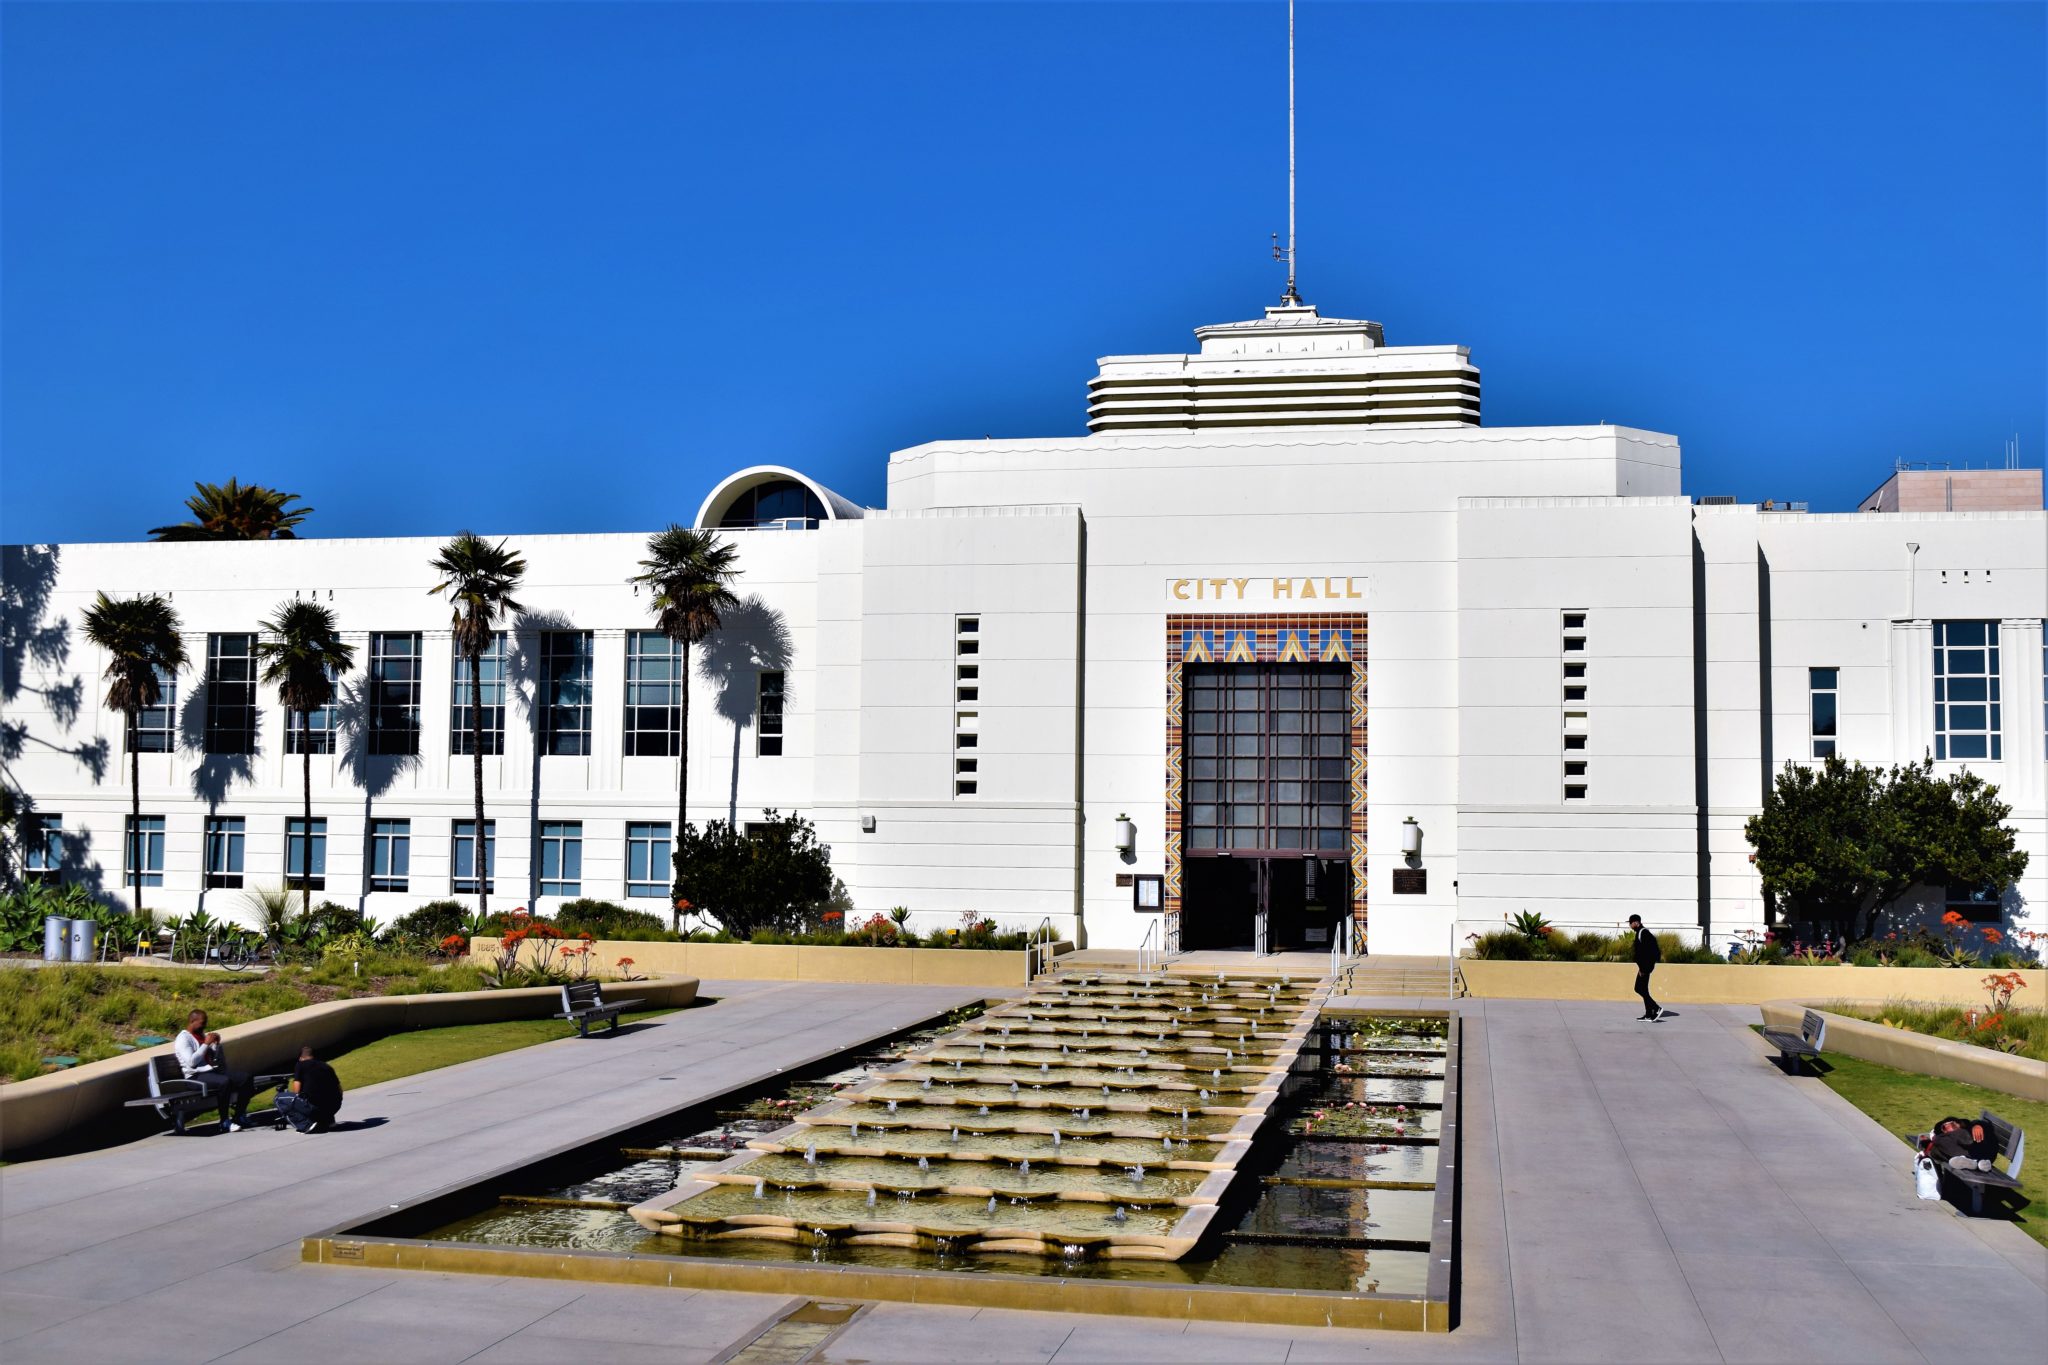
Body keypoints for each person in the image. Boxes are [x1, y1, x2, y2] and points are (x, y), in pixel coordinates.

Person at [172, 1009, 256, 1132]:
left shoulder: (201, 1036)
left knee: (246, 1077)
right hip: (194, 1077)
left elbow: (214, 1060)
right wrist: (206, 1044)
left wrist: (215, 1045)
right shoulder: (183, 1039)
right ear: (192, 1021)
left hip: (210, 1073)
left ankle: (239, 1115)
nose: (204, 1026)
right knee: (224, 1082)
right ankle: (224, 1121)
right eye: (202, 1023)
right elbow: (191, 1062)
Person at [274, 1045, 344, 1133]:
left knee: (278, 1098)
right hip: (334, 1106)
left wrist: (297, 1105)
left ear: (301, 1058)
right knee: (322, 1096)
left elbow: (297, 1090)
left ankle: (306, 1125)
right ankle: (329, 1121)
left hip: (315, 1108)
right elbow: (340, 1090)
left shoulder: (300, 1065)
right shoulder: (327, 1066)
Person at [1627, 914, 1667, 1021]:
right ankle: (1649, 1014)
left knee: (1639, 988)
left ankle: (1656, 1008)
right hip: (1644, 967)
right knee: (1643, 989)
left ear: (1636, 923)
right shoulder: (1641, 932)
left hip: (1645, 968)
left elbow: (1648, 952)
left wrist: (1643, 968)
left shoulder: (1643, 933)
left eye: (1630, 923)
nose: (1630, 926)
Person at [1929, 1116, 1996, 1172]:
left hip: (1987, 1149)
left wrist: (1978, 1125)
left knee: (1938, 1141)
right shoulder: (1955, 1136)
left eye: (1945, 1125)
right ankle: (1974, 1162)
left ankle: (1973, 1161)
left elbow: (1988, 1125)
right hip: (1978, 1155)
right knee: (1935, 1149)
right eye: (1944, 1129)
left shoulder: (1968, 1126)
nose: (1947, 1126)